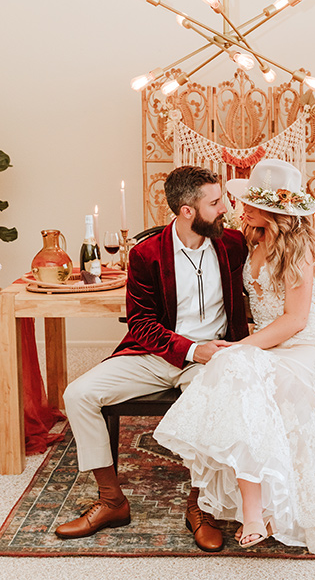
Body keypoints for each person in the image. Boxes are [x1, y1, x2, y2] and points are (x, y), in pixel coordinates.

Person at [154, 158, 315, 554]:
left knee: (240, 370)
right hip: (267, 346)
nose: (236, 206)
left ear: (272, 210)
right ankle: (254, 510)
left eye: (248, 202)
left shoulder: (300, 249)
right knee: (242, 379)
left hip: (308, 348)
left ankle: (261, 509)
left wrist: (239, 347)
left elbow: (295, 320)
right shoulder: (250, 237)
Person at [55, 166, 249, 551]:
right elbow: (140, 323)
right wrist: (192, 349)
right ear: (186, 210)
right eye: (215, 202)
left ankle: (202, 506)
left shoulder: (232, 244)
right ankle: (112, 501)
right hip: (156, 353)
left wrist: (213, 352)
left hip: (215, 358)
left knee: (213, 404)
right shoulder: (146, 254)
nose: (225, 207)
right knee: (78, 395)